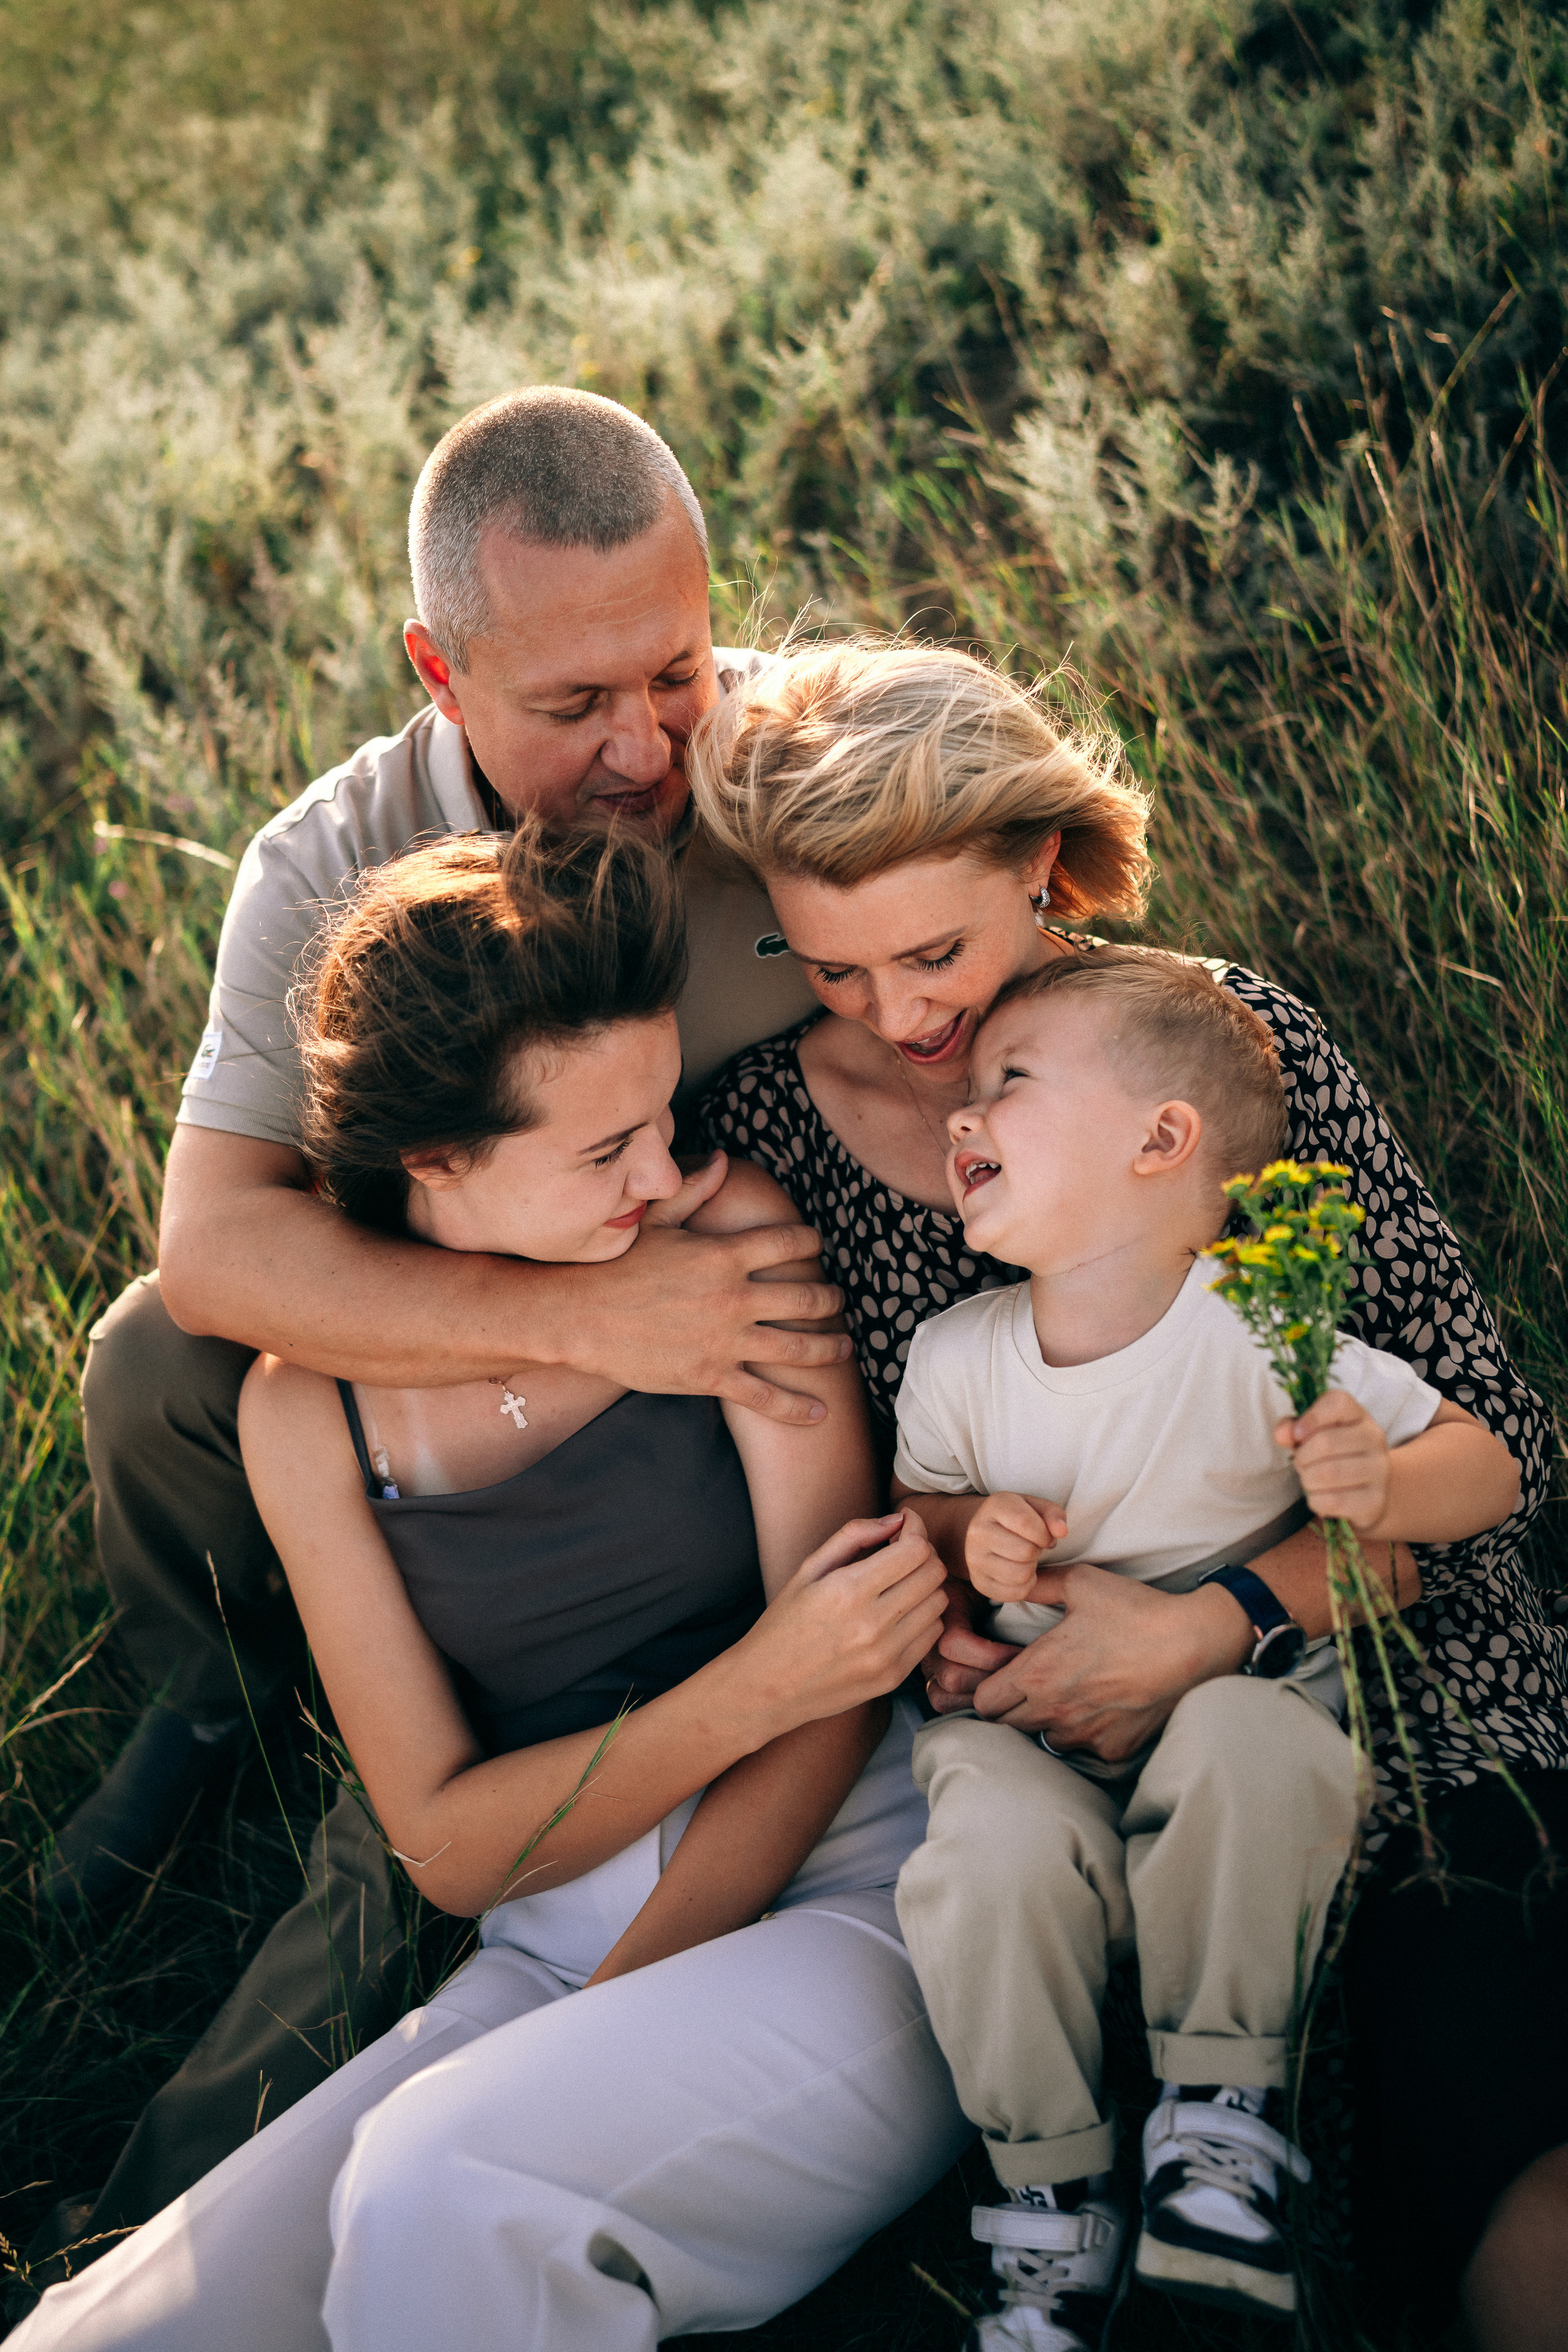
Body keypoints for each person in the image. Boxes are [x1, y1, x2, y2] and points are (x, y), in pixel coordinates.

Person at [31, 386, 832, 2262]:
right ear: (440, 671)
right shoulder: (330, 859)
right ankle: (217, 1690)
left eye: (680, 670)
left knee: (445, 1837)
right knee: (153, 1362)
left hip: (753, 1379)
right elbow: (220, 1254)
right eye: (576, 702)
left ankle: (177, 2207)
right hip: (479, 1395)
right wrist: (590, 1323)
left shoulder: (801, 759)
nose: (647, 745)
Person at [687, 639, 1568, 2334]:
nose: (903, 1018)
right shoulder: (763, 1137)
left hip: (1380, 1680)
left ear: (1037, 864)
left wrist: (1213, 1625)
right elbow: (858, 1512)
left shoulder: (1204, 1051)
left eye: (936, 954)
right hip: (1032, 1734)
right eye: (833, 967)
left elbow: (1500, 1457)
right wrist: (949, 1598)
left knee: (1481, 2110)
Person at [10, 822, 970, 2351]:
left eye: (658, 1114)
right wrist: (757, 1680)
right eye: (602, 1151)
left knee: (437, 2181)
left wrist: (622, 1989)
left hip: (853, 1882)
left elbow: (843, 1698)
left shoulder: (725, 1236)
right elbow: (452, 1847)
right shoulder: (304, 1416)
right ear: (435, 1162)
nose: (662, 1170)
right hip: (549, 1932)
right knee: (110, 2334)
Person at [886, 948, 1520, 2346]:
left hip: (1235, 1696)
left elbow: (1485, 1468)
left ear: (1160, 1139)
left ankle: (1219, 2132)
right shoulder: (955, 1355)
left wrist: (1378, 1479)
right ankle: (1048, 2195)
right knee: (976, 1848)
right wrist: (968, 1534)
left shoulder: (1257, 1329)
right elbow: (915, 1511)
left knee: (1251, 1745)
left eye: (1009, 1081)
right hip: (1037, 1737)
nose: (961, 1112)